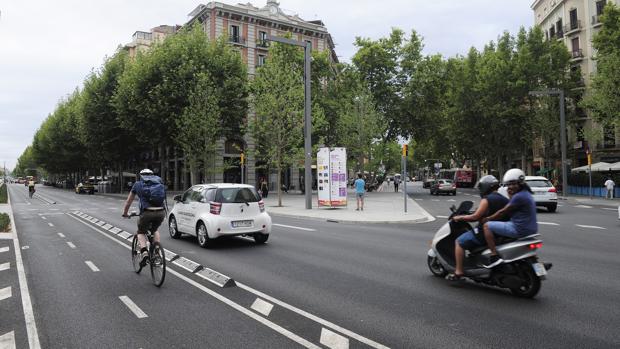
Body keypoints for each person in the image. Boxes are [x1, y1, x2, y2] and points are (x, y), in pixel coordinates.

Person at [445, 175, 509, 281]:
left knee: (459, 242)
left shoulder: (487, 199)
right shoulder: (504, 199)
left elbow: (475, 217)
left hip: (484, 232)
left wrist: (460, 217)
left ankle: (459, 271)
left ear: (485, 187)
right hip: (500, 232)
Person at [481, 168, 538, 268]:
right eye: (508, 184)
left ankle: (494, 255)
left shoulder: (519, 196)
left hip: (519, 229)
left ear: (520, 183)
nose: (510, 187)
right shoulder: (526, 193)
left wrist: (488, 218)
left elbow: (502, 212)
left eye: (513, 184)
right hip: (532, 229)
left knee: (486, 226)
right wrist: (510, 192)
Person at [122, 169, 167, 266]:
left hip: (147, 212)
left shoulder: (137, 184)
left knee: (141, 232)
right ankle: (157, 253)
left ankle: (144, 253)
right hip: (161, 212)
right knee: (155, 230)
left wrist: (125, 213)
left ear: (140, 176)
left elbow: (128, 202)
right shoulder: (159, 182)